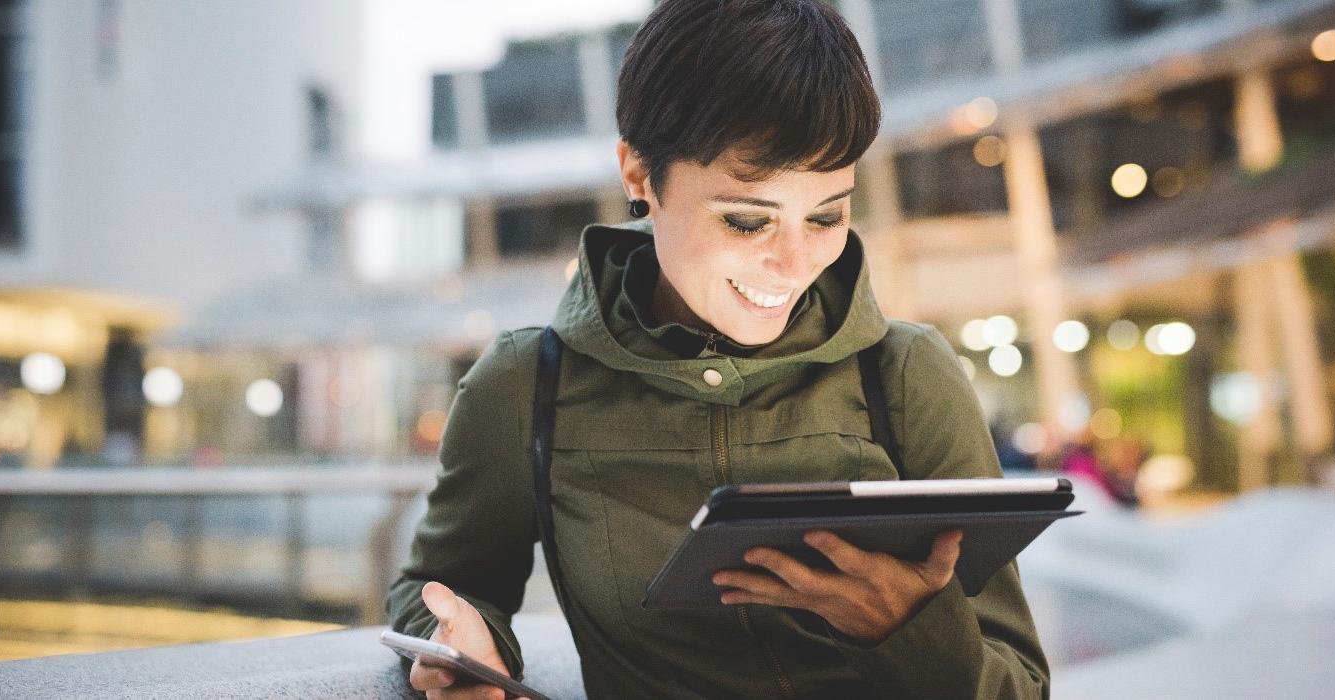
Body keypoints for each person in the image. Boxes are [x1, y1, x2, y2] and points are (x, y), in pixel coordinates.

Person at [387, 1, 1050, 697]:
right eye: (746, 219)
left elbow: (1022, 685)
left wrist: (909, 628)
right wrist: (454, 643)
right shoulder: (527, 385)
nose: (794, 263)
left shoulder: (908, 375)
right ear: (639, 176)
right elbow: (440, 589)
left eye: (827, 214)